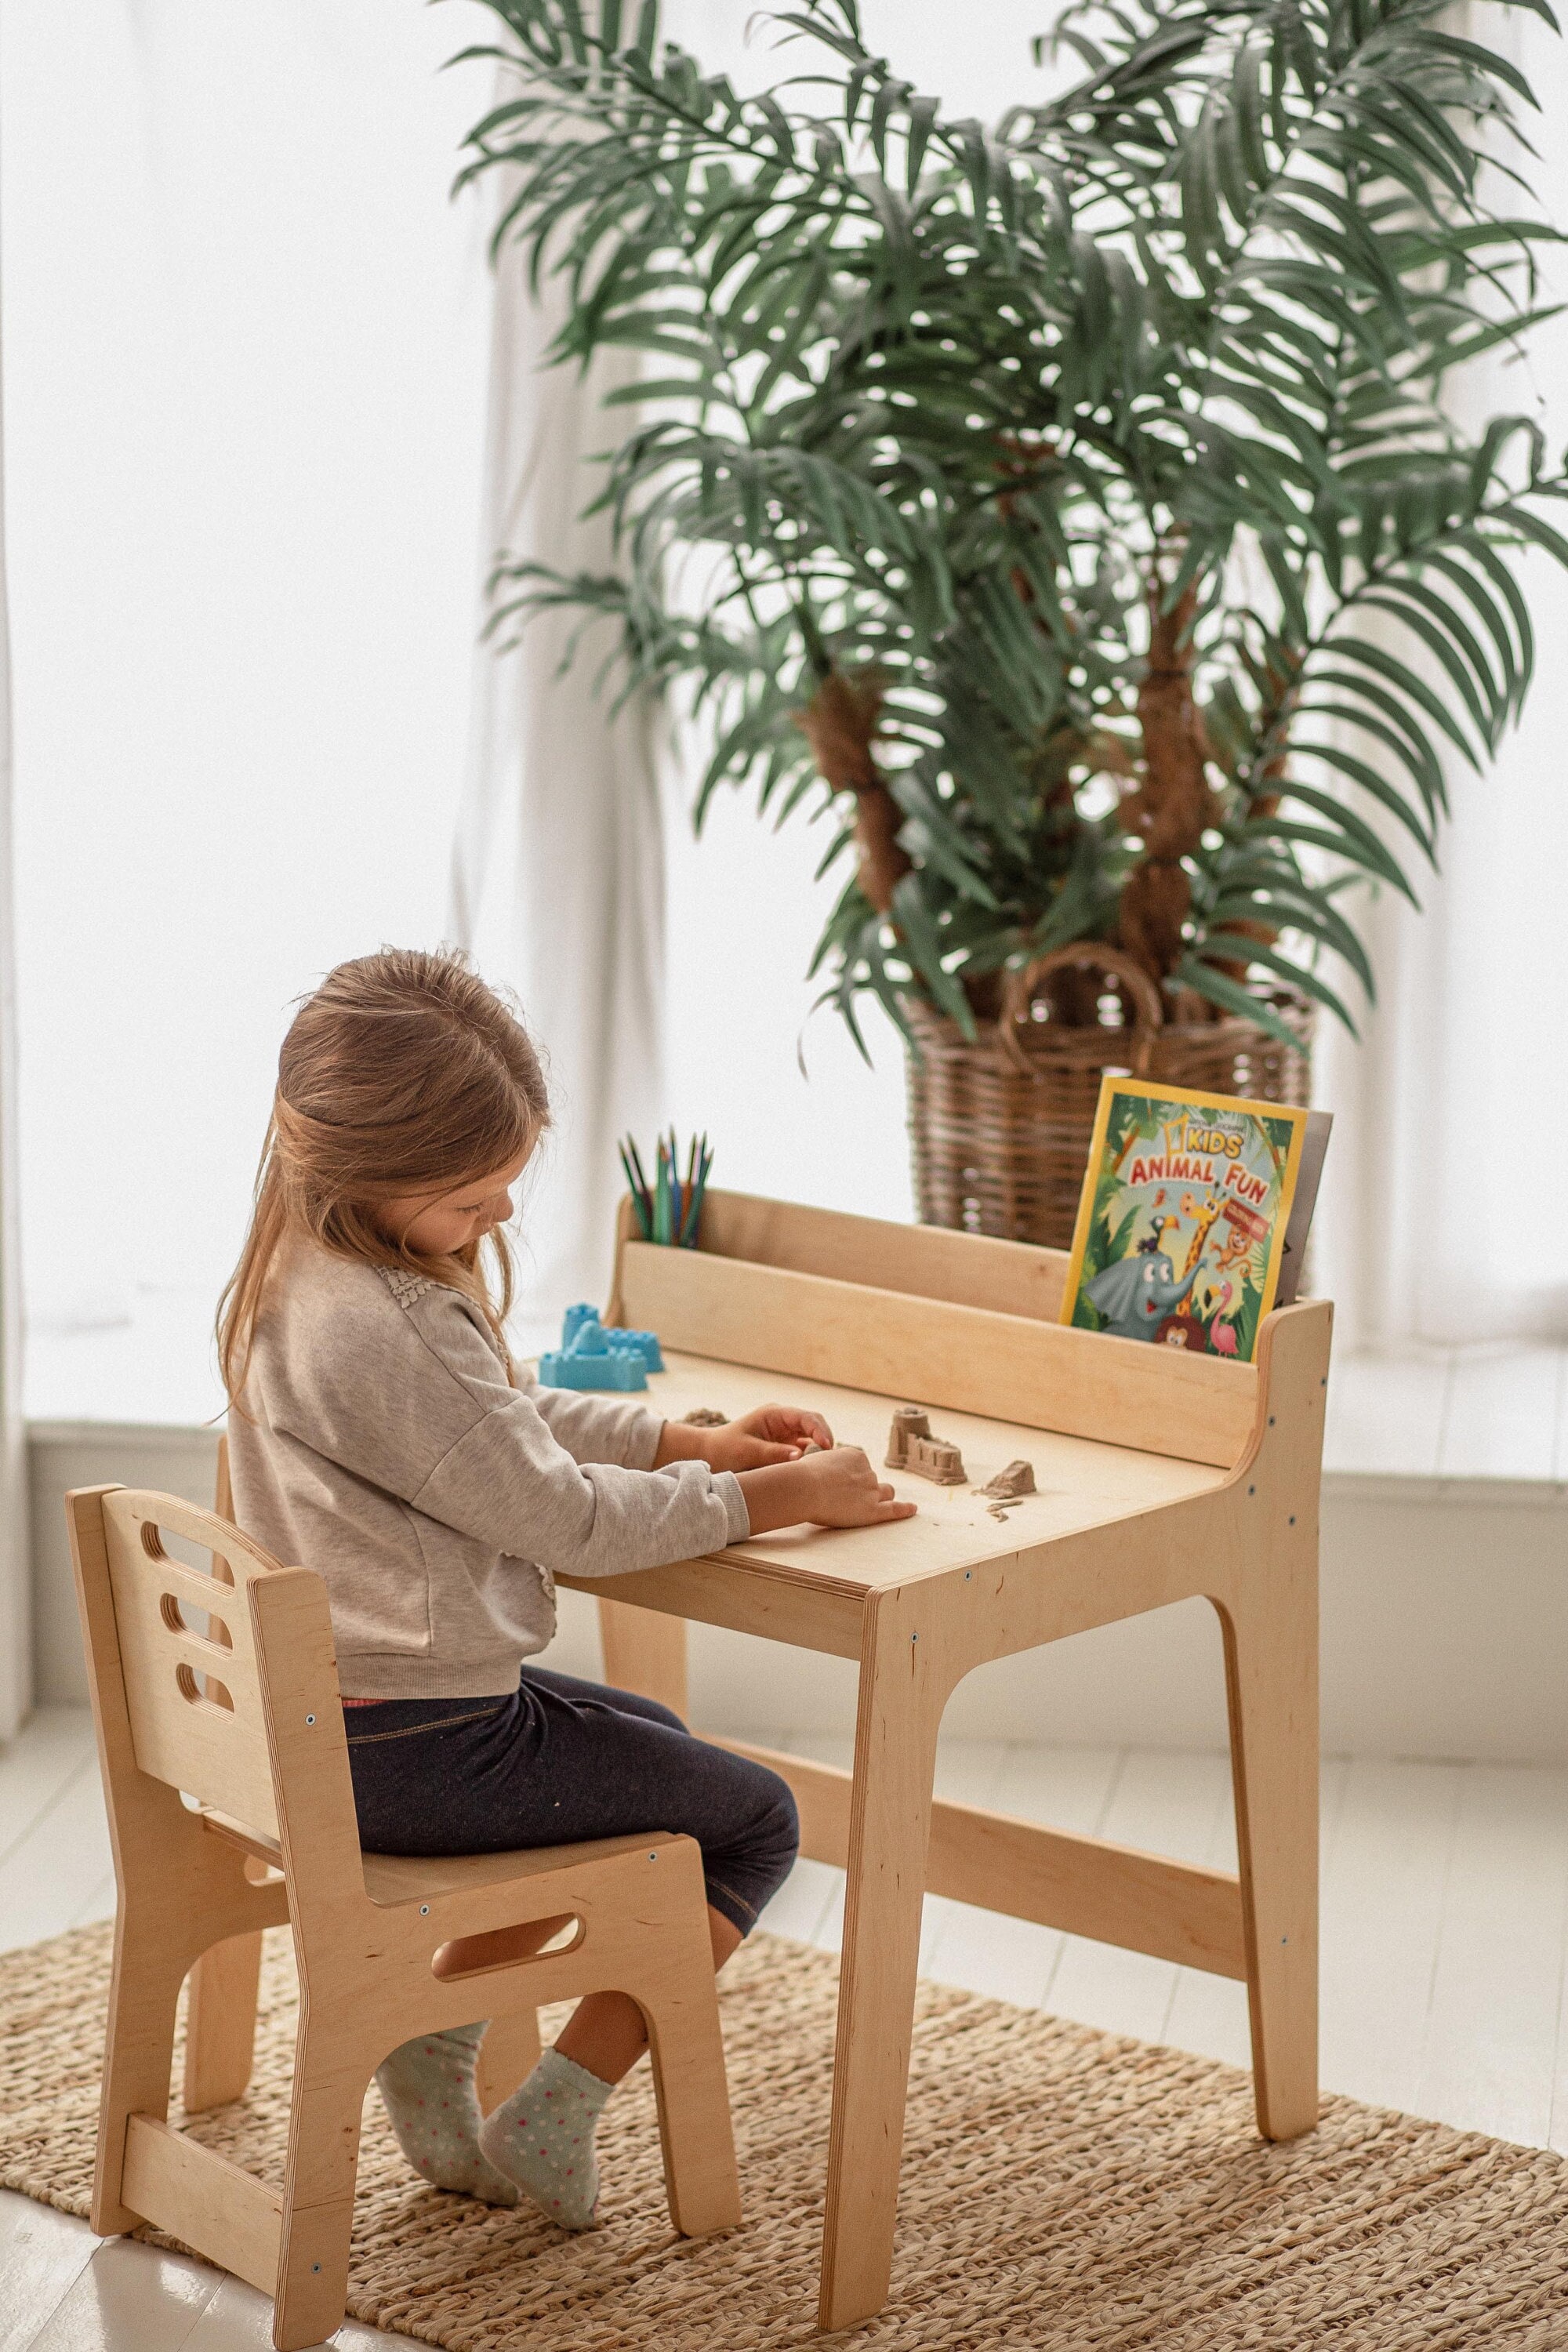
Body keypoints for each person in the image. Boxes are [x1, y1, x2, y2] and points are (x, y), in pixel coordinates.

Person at [216, 947, 915, 2228]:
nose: (495, 1225)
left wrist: (690, 1445)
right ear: (368, 1168)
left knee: (651, 1744)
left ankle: (434, 2046)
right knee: (754, 1821)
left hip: (345, 1725)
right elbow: (564, 1521)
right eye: (474, 1202)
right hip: (421, 1744)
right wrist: (772, 1500)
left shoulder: (299, 1280)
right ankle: (554, 2116)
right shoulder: (392, 1322)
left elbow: (502, 1422)